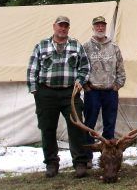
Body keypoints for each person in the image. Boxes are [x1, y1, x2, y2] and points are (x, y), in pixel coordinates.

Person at [27, 15, 90, 178]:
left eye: (66, 26)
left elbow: (85, 67)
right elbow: (33, 69)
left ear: (68, 28)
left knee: (76, 127)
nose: (63, 28)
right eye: (60, 26)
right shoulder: (42, 46)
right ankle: (51, 163)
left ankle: (80, 163)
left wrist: (80, 81)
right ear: (54, 26)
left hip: (71, 92)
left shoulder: (76, 45)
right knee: (47, 128)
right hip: (46, 92)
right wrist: (35, 91)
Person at [82, 16, 126, 168]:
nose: (100, 28)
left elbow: (120, 67)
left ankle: (108, 156)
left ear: (105, 27)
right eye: (97, 25)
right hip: (92, 91)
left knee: (109, 124)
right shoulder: (86, 47)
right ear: (93, 27)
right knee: (89, 125)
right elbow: (80, 68)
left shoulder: (114, 47)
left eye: (102, 25)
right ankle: (86, 157)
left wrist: (118, 85)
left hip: (110, 91)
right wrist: (85, 86)